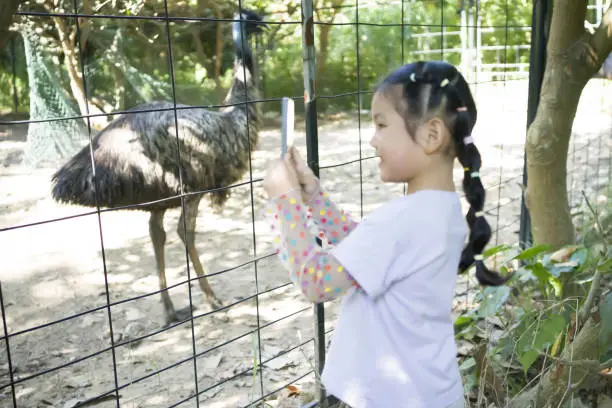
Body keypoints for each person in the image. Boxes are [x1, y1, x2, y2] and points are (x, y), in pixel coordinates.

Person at [261, 60, 509, 408]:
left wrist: (283, 202)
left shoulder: (402, 219)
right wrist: (313, 197)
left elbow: (316, 282)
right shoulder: (444, 210)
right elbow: (368, 253)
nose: (372, 140)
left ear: (431, 135)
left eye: (381, 124)